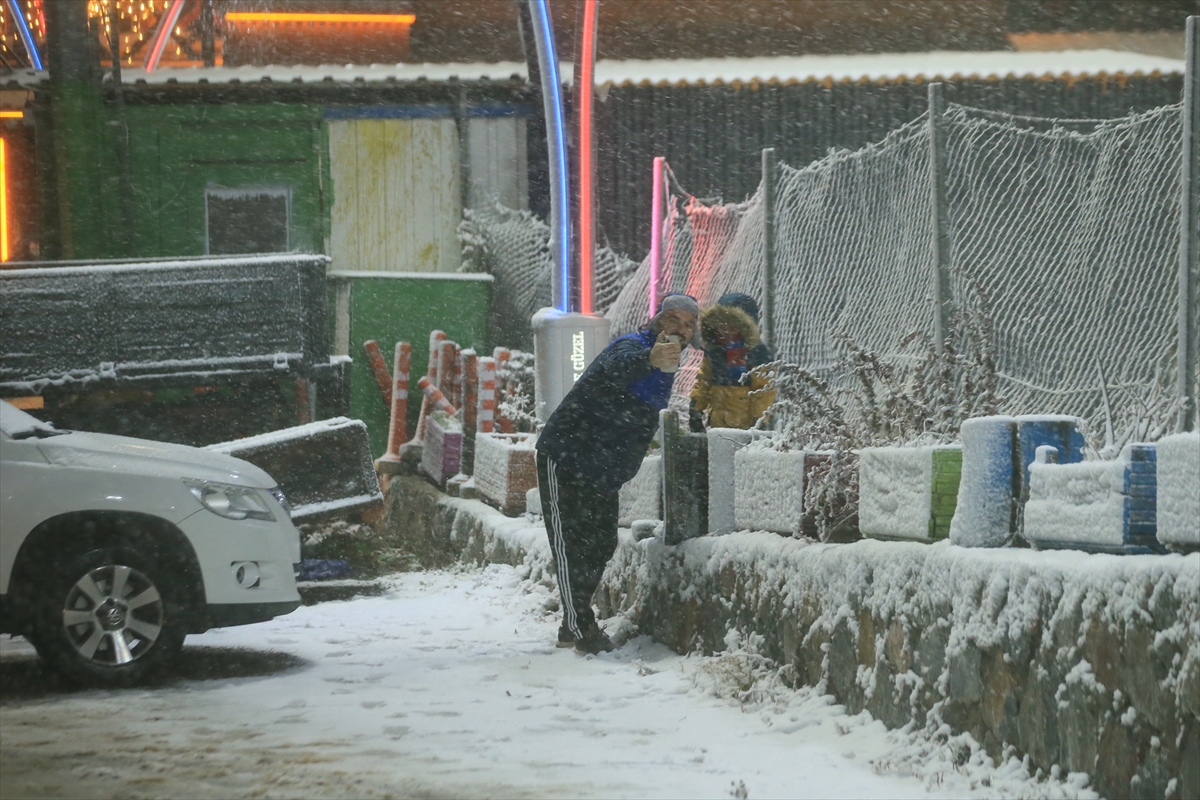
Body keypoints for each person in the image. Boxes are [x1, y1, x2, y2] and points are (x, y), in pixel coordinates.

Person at [536, 293, 701, 654]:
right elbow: (619, 366)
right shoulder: (631, 346)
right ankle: (582, 629)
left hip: (602, 468)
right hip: (566, 455)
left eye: (689, 324)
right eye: (673, 319)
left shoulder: (668, 370)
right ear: (657, 320)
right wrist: (650, 358)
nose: (680, 329)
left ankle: (571, 623)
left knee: (601, 544)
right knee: (570, 546)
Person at [689, 292, 775, 431]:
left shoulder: (757, 353)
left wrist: (759, 420)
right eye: (721, 324)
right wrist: (696, 410)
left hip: (746, 423)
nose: (725, 330)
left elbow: (763, 391)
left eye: (731, 325)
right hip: (717, 421)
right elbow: (704, 381)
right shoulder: (715, 350)